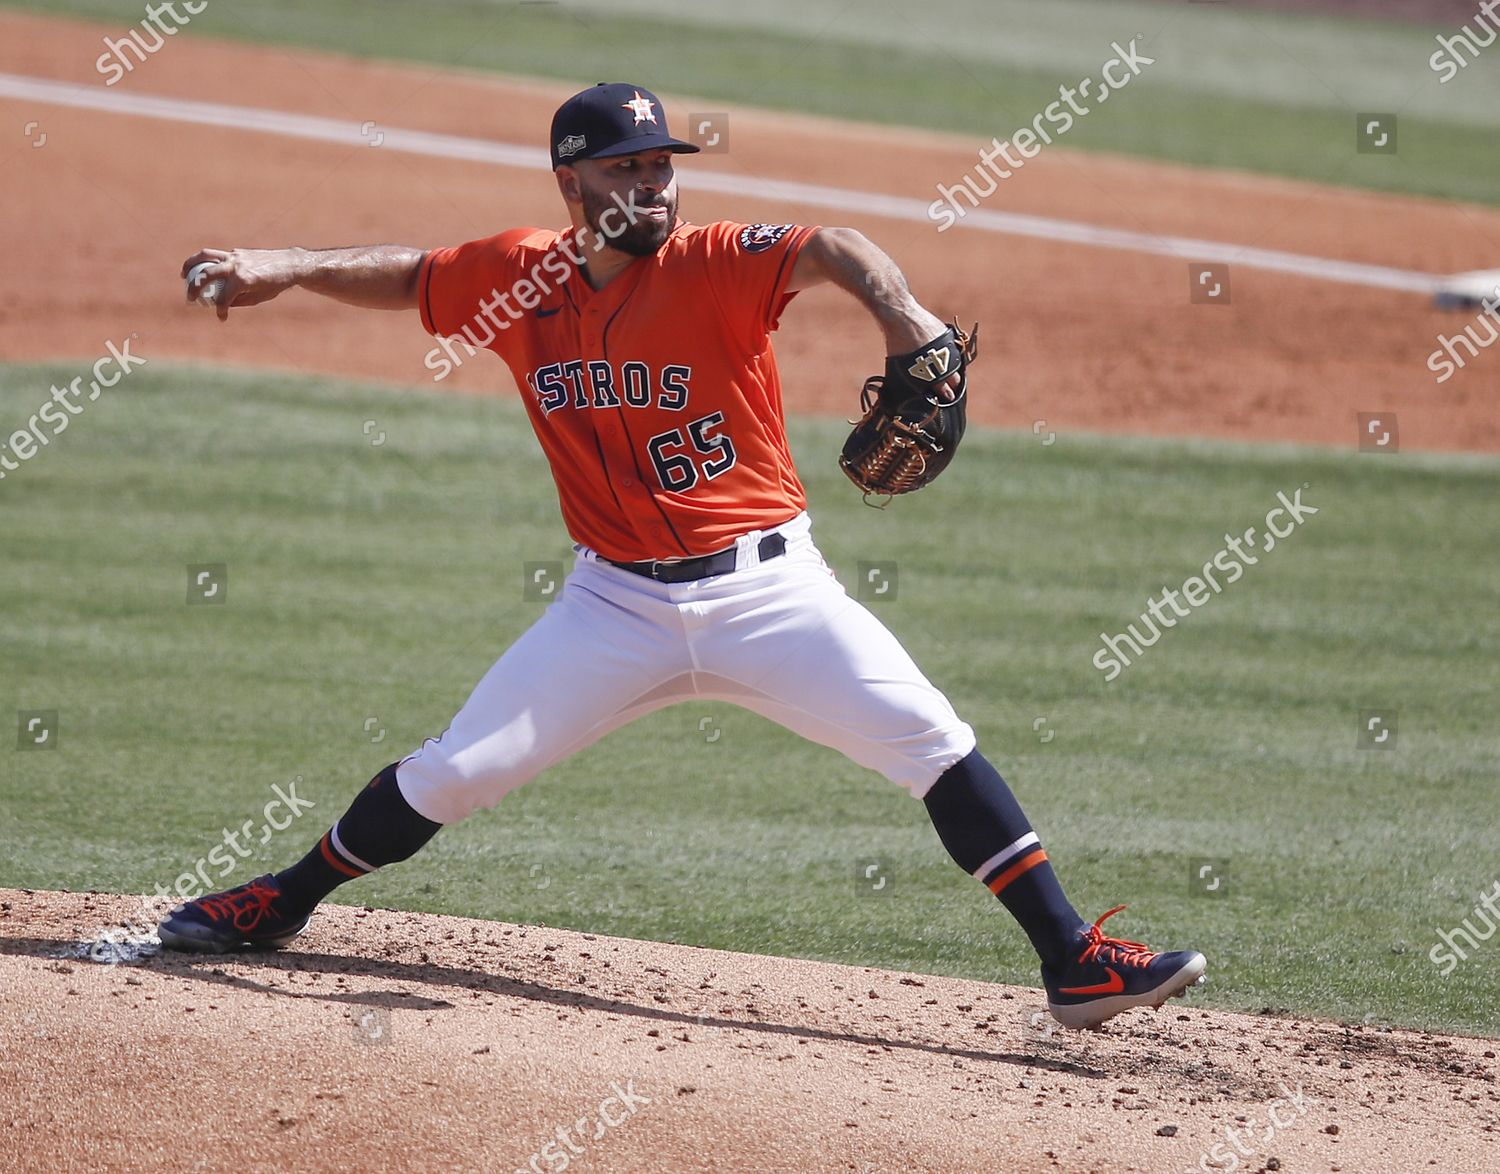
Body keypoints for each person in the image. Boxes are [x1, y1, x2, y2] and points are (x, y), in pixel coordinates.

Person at [162, 82, 1205, 1029]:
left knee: (928, 737)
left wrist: (906, 317)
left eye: (662, 165)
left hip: (772, 593)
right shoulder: (520, 275)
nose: (653, 185)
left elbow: (835, 245)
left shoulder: (717, 264)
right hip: (612, 606)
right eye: (627, 166)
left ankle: (1073, 960)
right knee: (458, 771)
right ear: (571, 181)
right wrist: (285, 268)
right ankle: (279, 904)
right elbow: (416, 277)